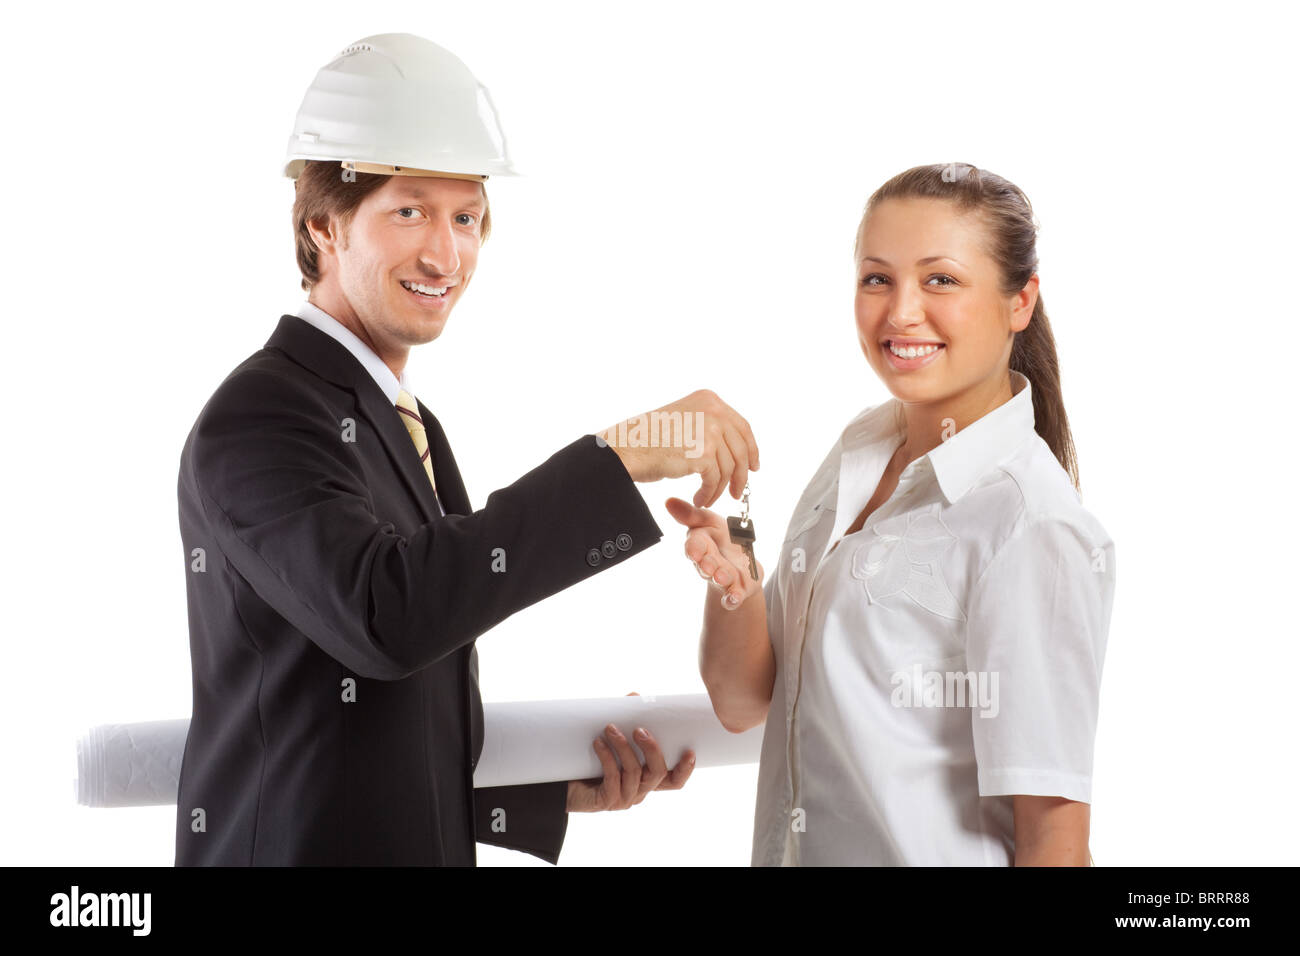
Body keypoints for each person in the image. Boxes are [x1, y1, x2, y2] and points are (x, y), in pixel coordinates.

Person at [174, 33, 758, 866]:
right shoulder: (261, 416)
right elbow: (387, 618)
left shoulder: (403, 420)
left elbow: (377, 705)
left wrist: (551, 785)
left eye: (467, 218)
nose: (446, 254)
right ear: (323, 227)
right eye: (408, 210)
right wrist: (620, 457)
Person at [667, 163, 1116, 866]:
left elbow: (1052, 839)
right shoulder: (857, 451)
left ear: (1020, 301)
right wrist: (737, 590)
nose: (902, 312)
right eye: (878, 278)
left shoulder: (1029, 524)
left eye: (940, 279)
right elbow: (745, 703)